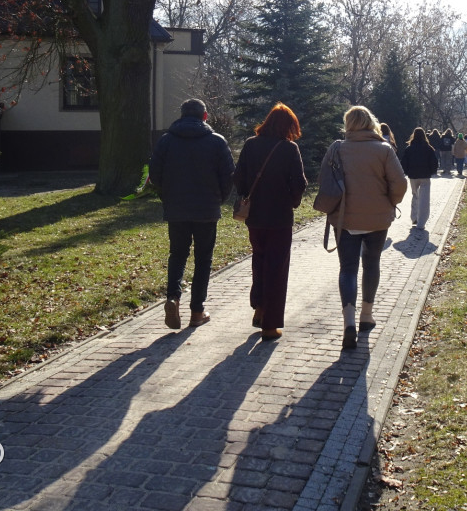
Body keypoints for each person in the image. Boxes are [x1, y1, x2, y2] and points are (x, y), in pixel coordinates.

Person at [319, 105, 407, 350]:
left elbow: (323, 180)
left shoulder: (337, 148)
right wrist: (391, 201)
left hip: (344, 218)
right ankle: (366, 316)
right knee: (372, 263)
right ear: (371, 123)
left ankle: (348, 321)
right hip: (377, 219)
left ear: (348, 124)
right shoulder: (384, 150)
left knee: (347, 269)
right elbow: (399, 184)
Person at [149, 98, 235, 330]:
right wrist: (219, 199)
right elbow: (228, 177)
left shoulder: (166, 141)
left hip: (176, 209)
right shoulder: (217, 142)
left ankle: (173, 297)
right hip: (207, 210)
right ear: (204, 116)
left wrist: (167, 196)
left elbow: (154, 175)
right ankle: (197, 311)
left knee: (177, 255)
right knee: (203, 259)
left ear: (181, 115)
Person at [233, 103, 308, 340]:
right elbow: (299, 183)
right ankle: (270, 324)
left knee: (259, 260)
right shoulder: (289, 149)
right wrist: (292, 201)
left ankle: (259, 307)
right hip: (279, 217)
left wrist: (247, 196)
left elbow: (239, 177)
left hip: (254, 217)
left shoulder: (250, 144)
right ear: (289, 126)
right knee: (277, 268)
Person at [399, 127, 439, 230]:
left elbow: (404, 162)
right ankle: (421, 222)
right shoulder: (428, 148)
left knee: (415, 195)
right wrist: (432, 171)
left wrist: (406, 172)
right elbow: (434, 162)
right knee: (424, 199)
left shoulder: (409, 149)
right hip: (425, 175)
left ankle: (414, 217)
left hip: (413, 176)